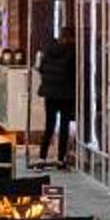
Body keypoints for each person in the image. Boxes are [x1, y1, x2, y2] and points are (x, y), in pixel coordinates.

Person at [35, 19, 76, 168]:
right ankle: (60, 159)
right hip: (65, 93)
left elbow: (41, 68)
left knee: (49, 125)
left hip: (50, 93)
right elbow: (74, 73)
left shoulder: (49, 50)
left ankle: (42, 157)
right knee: (64, 126)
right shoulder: (72, 51)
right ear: (70, 38)